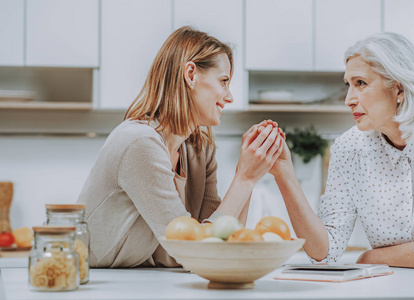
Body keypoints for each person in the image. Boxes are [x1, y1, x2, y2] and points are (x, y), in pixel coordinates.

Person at [77, 26, 284, 268]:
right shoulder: (140, 144)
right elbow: (194, 252)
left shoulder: (199, 149)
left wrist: (251, 172)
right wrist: (245, 178)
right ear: (191, 74)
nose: (229, 97)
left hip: (140, 278)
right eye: (224, 81)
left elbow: (222, 240)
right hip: (87, 278)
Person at [266, 32, 414, 270]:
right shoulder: (348, 148)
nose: (348, 100)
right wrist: (285, 176)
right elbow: (324, 254)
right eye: (348, 85)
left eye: (361, 83)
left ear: (399, 89)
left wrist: (369, 258)